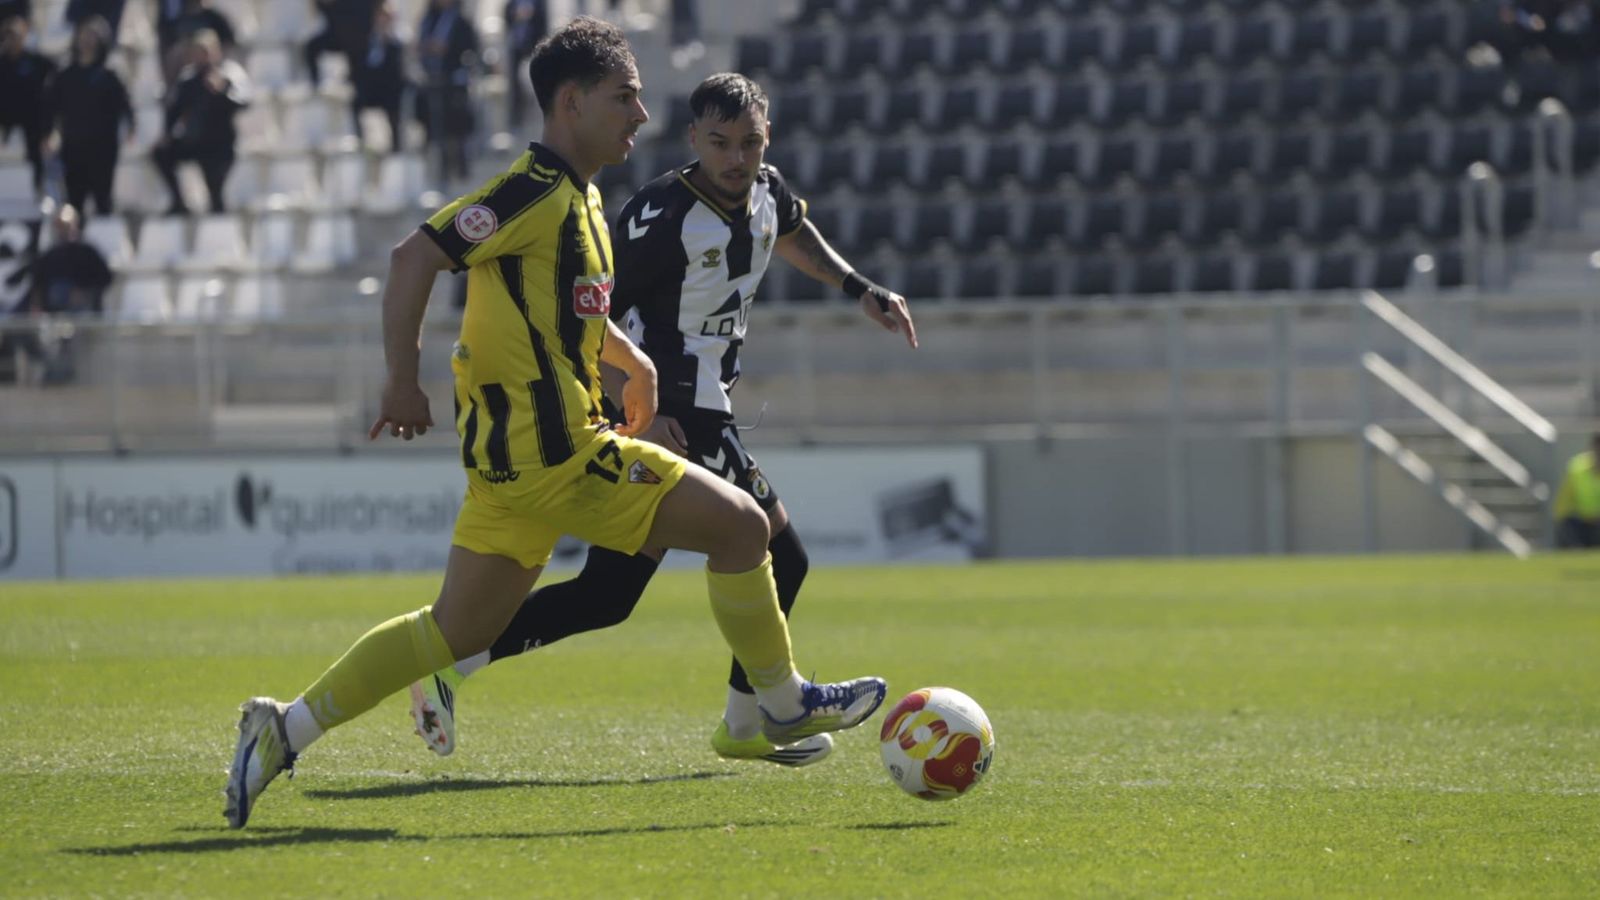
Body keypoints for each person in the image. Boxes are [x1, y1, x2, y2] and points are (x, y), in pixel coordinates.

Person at [223, 18, 887, 830]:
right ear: (570, 103)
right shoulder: (535, 191)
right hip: (561, 453)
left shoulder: (580, 200)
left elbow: (557, 308)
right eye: (625, 98)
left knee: (451, 632)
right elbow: (413, 258)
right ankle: (777, 706)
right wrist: (401, 383)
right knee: (744, 530)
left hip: (509, 475)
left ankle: (282, 730)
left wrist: (628, 361)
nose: (640, 116)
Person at [407, 72, 916, 769]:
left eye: (749, 142)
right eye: (719, 143)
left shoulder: (767, 190)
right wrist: (633, 409)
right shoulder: (659, 214)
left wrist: (860, 287)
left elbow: (793, 231)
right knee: (778, 550)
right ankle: (760, 713)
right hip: (673, 408)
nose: (735, 158)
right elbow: (592, 309)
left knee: (607, 595)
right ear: (692, 141)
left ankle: (451, 666)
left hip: (705, 402)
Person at [0, 203, 111, 384]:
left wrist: (82, 292)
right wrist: (36, 304)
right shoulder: (51, 254)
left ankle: (62, 375)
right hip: (52, 312)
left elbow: (105, 278)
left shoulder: (87, 252)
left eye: (66, 225)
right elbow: (35, 282)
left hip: (79, 311)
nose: (63, 230)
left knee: (71, 329)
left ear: (75, 224)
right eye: (59, 225)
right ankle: (51, 369)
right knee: (18, 326)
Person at [150, 29, 249, 215]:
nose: (201, 57)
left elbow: (243, 103)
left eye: (205, 51)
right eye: (197, 52)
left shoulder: (229, 74)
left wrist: (220, 92)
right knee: (161, 153)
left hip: (220, 145)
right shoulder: (188, 79)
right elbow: (174, 110)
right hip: (195, 140)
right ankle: (178, 201)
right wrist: (167, 134)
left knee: (216, 197)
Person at [44, 15, 134, 216]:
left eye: (93, 36)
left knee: (103, 199)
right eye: (84, 35)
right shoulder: (64, 75)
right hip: (73, 145)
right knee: (74, 201)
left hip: (103, 147)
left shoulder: (110, 76)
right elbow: (50, 107)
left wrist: (131, 127)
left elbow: (125, 106)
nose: (87, 41)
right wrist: (48, 133)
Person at [414, 0, 479, 182]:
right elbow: (420, 42)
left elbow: (471, 49)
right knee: (433, 124)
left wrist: (448, 49)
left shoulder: (460, 21)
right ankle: (438, 169)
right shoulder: (428, 19)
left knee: (457, 126)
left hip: (454, 81)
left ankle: (460, 166)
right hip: (431, 79)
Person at [0, 14, 55, 195]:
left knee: (35, 154)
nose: (12, 39)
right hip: (5, 119)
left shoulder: (35, 61)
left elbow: (55, 70)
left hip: (31, 119)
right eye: (8, 35)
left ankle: (37, 188)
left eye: (16, 35)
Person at [349, 1, 406, 152]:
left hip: (390, 90)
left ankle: (396, 145)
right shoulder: (366, 39)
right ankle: (360, 139)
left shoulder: (397, 41)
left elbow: (397, 71)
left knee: (394, 105)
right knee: (355, 99)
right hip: (370, 88)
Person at [303, 0, 375, 89]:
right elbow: (324, 11)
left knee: (358, 78)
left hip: (359, 42)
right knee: (311, 47)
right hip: (337, 37)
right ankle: (315, 83)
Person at [503, 0, 548, 129]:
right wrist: (515, 16)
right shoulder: (513, 3)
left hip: (532, 46)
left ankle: (537, 108)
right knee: (514, 83)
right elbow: (506, 17)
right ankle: (516, 113)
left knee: (534, 78)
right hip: (516, 46)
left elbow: (542, 23)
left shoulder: (538, 3)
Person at [1553, 433, 1600, 549]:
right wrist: (1560, 519)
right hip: (1581, 520)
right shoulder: (1577, 467)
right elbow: (1564, 499)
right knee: (1567, 524)